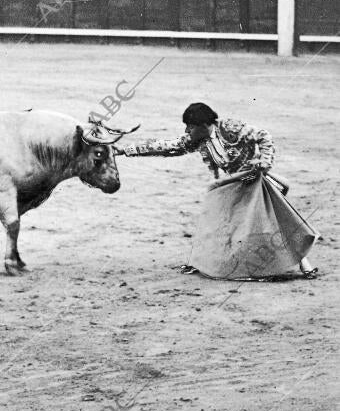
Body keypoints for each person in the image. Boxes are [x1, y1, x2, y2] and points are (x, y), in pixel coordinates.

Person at [114, 102, 319, 280]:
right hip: (232, 185)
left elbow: (263, 136)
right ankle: (203, 262)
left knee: (273, 222)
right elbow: (169, 147)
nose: (187, 131)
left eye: (190, 126)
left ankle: (303, 263)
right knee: (217, 222)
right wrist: (126, 150)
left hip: (254, 181)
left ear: (204, 125)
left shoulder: (230, 128)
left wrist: (264, 163)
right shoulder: (198, 139)